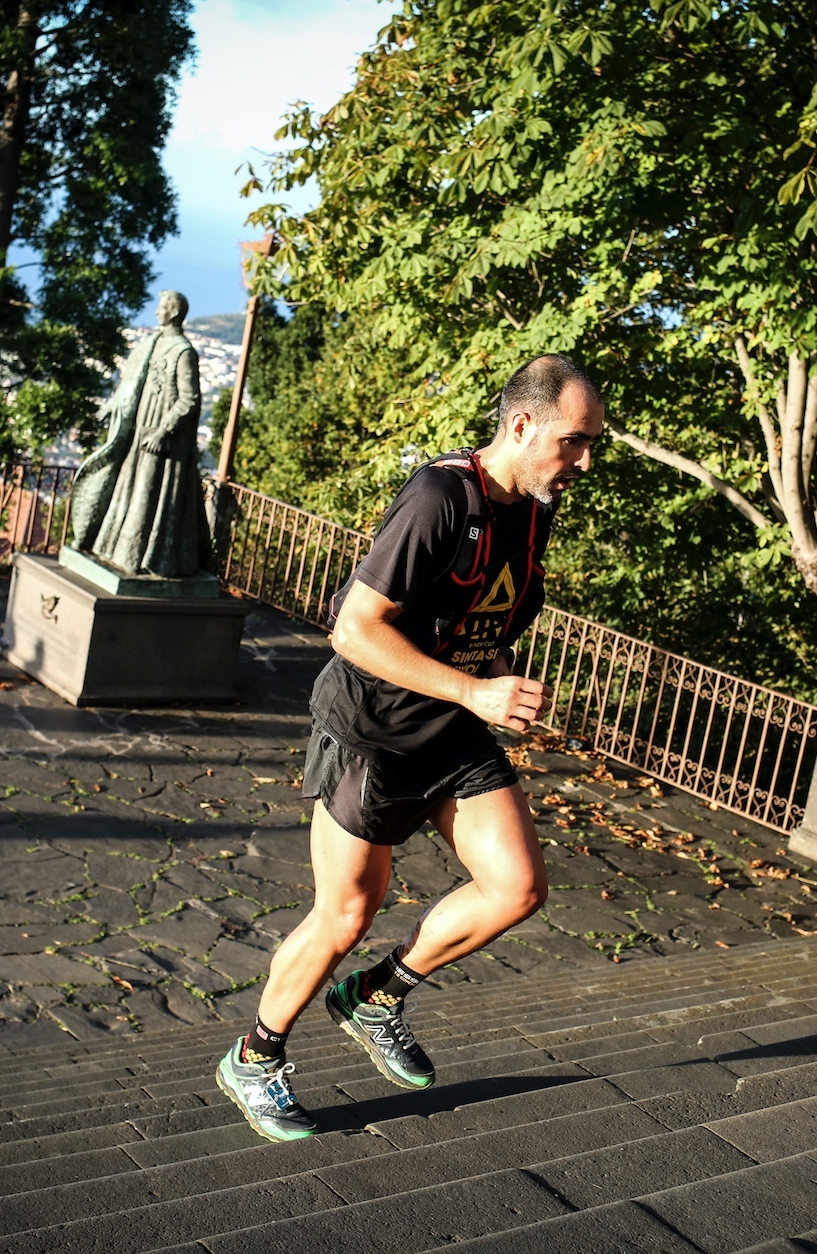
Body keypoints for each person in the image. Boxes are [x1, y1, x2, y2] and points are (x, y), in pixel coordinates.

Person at [215, 354, 604, 1140]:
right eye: (574, 441)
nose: (585, 462)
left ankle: (376, 996)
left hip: (451, 729)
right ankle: (254, 1058)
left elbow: (475, 614)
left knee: (517, 887)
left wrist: (495, 674)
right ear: (521, 426)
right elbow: (353, 630)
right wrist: (475, 692)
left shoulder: (534, 509)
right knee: (346, 913)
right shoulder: (439, 498)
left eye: (593, 444)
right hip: (374, 734)